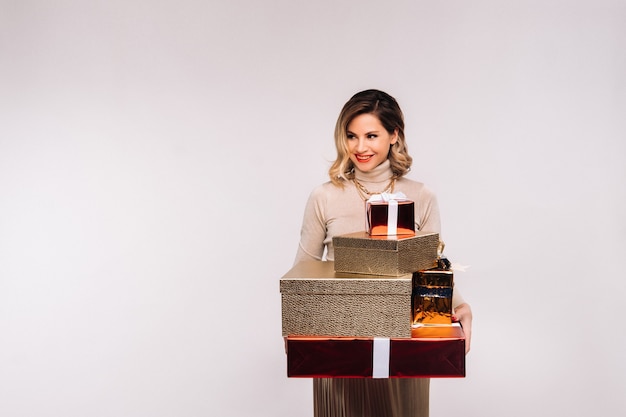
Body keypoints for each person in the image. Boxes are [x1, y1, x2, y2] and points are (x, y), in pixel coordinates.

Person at [294, 89, 472, 417]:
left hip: (403, 341)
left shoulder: (421, 195)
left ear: (394, 135)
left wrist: (459, 305)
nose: (360, 147)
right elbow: (304, 271)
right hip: (341, 341)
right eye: (351, 136)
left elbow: (430, 265)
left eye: (371, 135)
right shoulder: (324, 197)